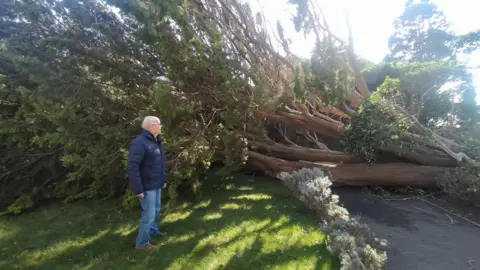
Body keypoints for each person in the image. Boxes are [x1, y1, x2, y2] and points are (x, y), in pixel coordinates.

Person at [127, 116, 168, 250]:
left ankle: (153, 231)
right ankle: (142, 243)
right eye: (159, 124)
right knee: (148, 215)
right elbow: (133, 167)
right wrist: (138, 189)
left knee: (155, 210)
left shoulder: (156, 141)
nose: (161, 126)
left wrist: (163, 180)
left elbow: (158, 164)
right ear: (151, 126)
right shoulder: (139, 143)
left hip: (156, 184)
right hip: (146, 186)